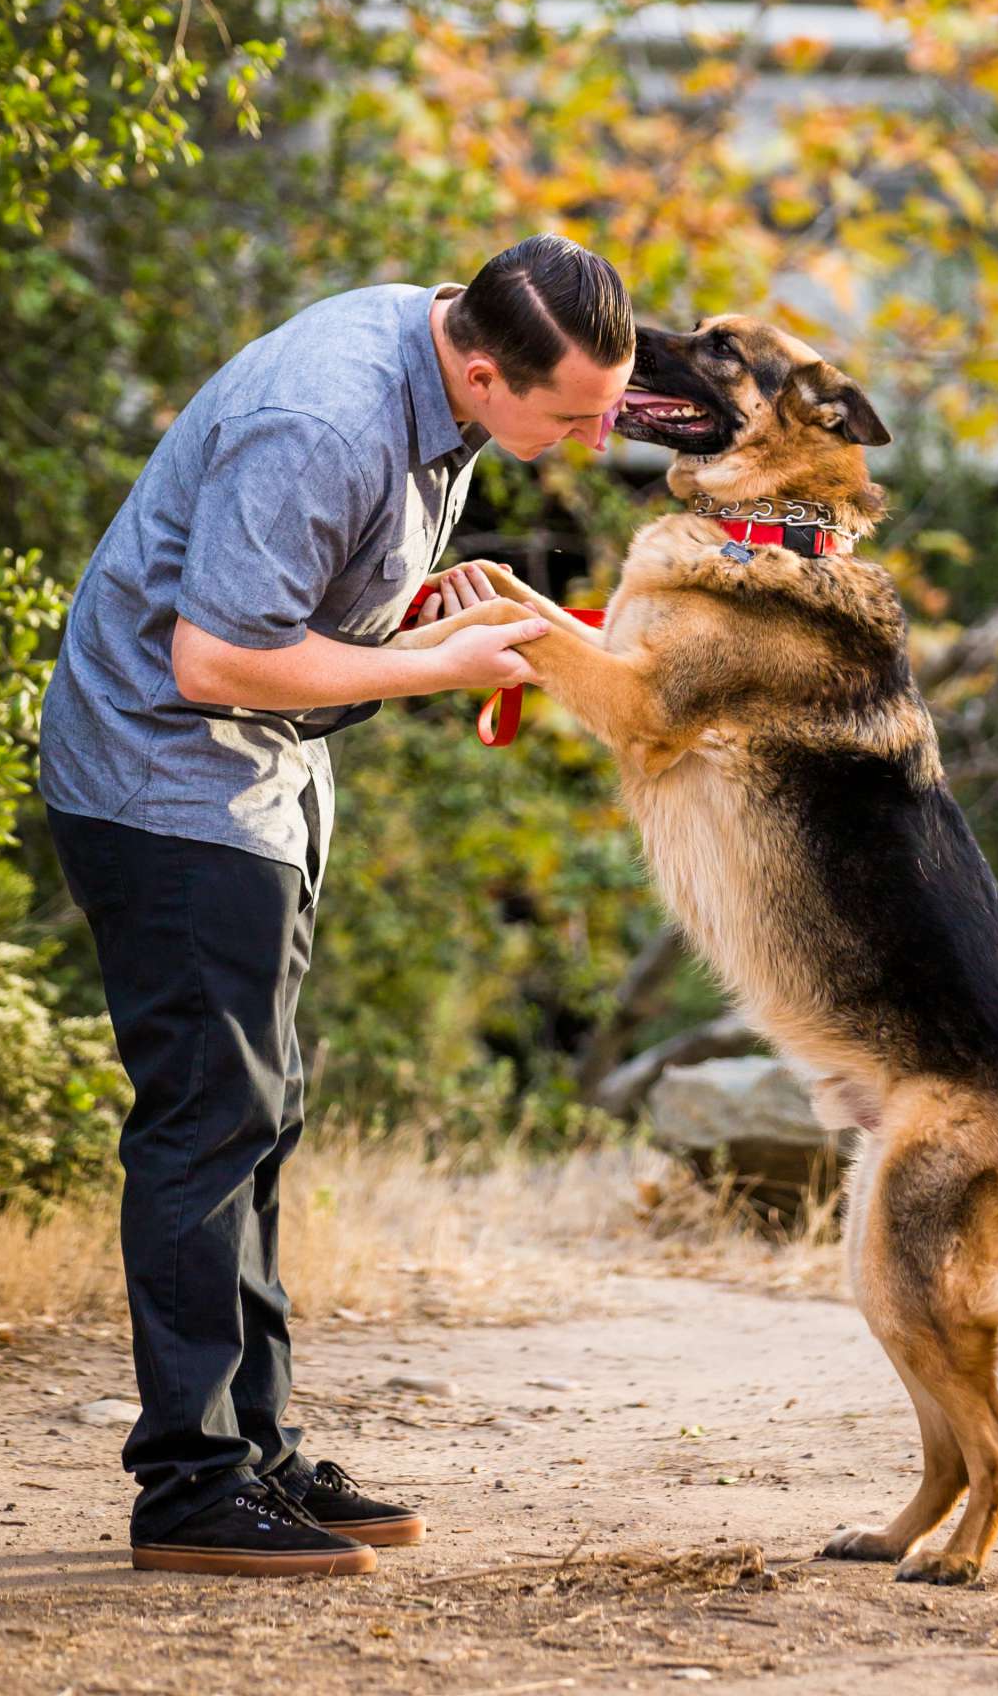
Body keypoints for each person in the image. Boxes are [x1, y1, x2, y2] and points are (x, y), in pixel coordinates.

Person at [39, 236, 635, 1577]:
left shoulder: (453, 365)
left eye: (609, 404)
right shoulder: (329, 414)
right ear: (483, 367)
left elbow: (302, 598)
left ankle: (255, 1451)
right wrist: (437, 669)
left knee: (261, 1110)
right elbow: (212, 657)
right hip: (167, 781)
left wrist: (419, 610)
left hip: (255, 784)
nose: (597, 435)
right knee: (208, 1121)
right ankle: (187, 1491)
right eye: (574, 415)